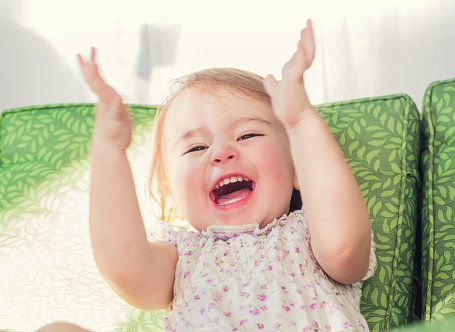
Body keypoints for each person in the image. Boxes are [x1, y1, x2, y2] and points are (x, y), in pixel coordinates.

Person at [39, 19, 375, 331]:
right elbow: (126, 268)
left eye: (248, 135)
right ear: (170, 194)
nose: (221, 152)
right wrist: (109, 151)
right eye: (196, 148)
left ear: (299, 169)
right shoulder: (181, 257)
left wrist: (301, 121)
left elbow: (346, 249)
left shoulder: (310, 236)